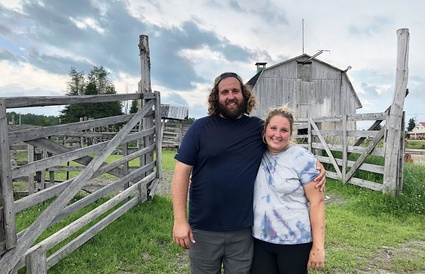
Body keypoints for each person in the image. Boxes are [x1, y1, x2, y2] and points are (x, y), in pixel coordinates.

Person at [171, 72, 326, 274]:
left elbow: (278, 138)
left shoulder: (256, 128)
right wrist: (180, 221)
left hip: (243, 231)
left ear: (244, 95)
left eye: (235, 91)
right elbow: (181, 174)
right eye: (224, 92)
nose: (231, 96)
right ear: (216, 97)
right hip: (204, 229)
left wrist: (314, 163)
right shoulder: (199, 128)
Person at [250, 105, 326, 274]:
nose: (277, 135)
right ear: (265, 130)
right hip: (260, 240)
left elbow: (317, 203)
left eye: (284, 130)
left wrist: (318, 247)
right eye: (273, 128)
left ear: (290, 133)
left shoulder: (303, 159)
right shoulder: (255, 153)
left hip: (295, 243)